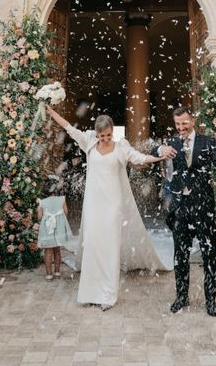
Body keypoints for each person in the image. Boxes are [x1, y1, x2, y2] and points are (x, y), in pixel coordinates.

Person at [46, 106, 169, 311]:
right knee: (93, 246)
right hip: (94, 204)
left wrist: (158, 158)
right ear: (96, 133)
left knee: (110, 248)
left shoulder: (121, 146)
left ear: (113, 131)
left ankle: (108, 295)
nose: (105, 139)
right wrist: (52, 112)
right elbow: (68, 127)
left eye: (108, 135)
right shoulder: (89, 141)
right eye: (102, 135)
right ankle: (90, 293)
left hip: (113, 205)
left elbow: (138, 157)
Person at [156, 108, 216, 317]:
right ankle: (181, 297)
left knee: (209, 254)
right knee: (180, 255)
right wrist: (160, 150)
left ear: (192, 120)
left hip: (203, 207)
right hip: (180, 208)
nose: (181, 127)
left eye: (184, 123)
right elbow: (153, 155)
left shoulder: (207, 141)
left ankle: (211, 300)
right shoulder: (172, 144)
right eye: (177, 124)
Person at [37, 176, 72, 281]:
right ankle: (57, 271)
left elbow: (39, 217)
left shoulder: (42, 201)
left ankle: (49, 274)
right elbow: (66, 212)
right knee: (57, 250)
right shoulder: (62, 199)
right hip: (59, 229)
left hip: (48, 229)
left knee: (48, 251)